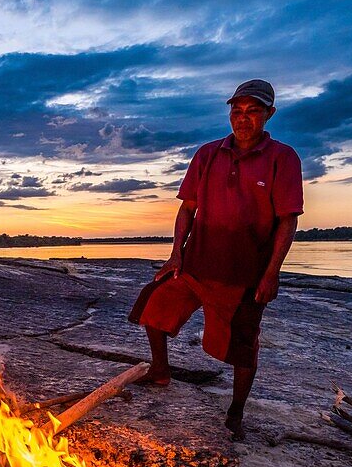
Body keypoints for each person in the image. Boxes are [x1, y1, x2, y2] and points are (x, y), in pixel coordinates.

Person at [128, 79, 304, 441]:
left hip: (243, 274)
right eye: (236, 111)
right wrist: (176, 253)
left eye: (253, 111)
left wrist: (272, 274)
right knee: (154, 302)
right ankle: (160, 371)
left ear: (269, 114)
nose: (243, 119)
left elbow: (288, 220)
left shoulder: (283, 158)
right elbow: (187, 209)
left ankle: (236, 413)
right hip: (195, 264)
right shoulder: (208, 154)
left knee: (241, 344)